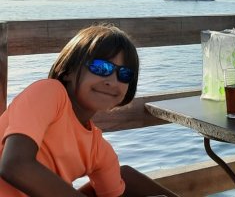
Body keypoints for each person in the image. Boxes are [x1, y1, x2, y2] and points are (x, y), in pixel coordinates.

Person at [0, 23, 178, 196]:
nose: (113, 81)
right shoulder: (48, 92)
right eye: (101, 67)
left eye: (124, 74)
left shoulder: (100, 151)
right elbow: (15, 164)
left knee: (125, 178)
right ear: (67, 70)